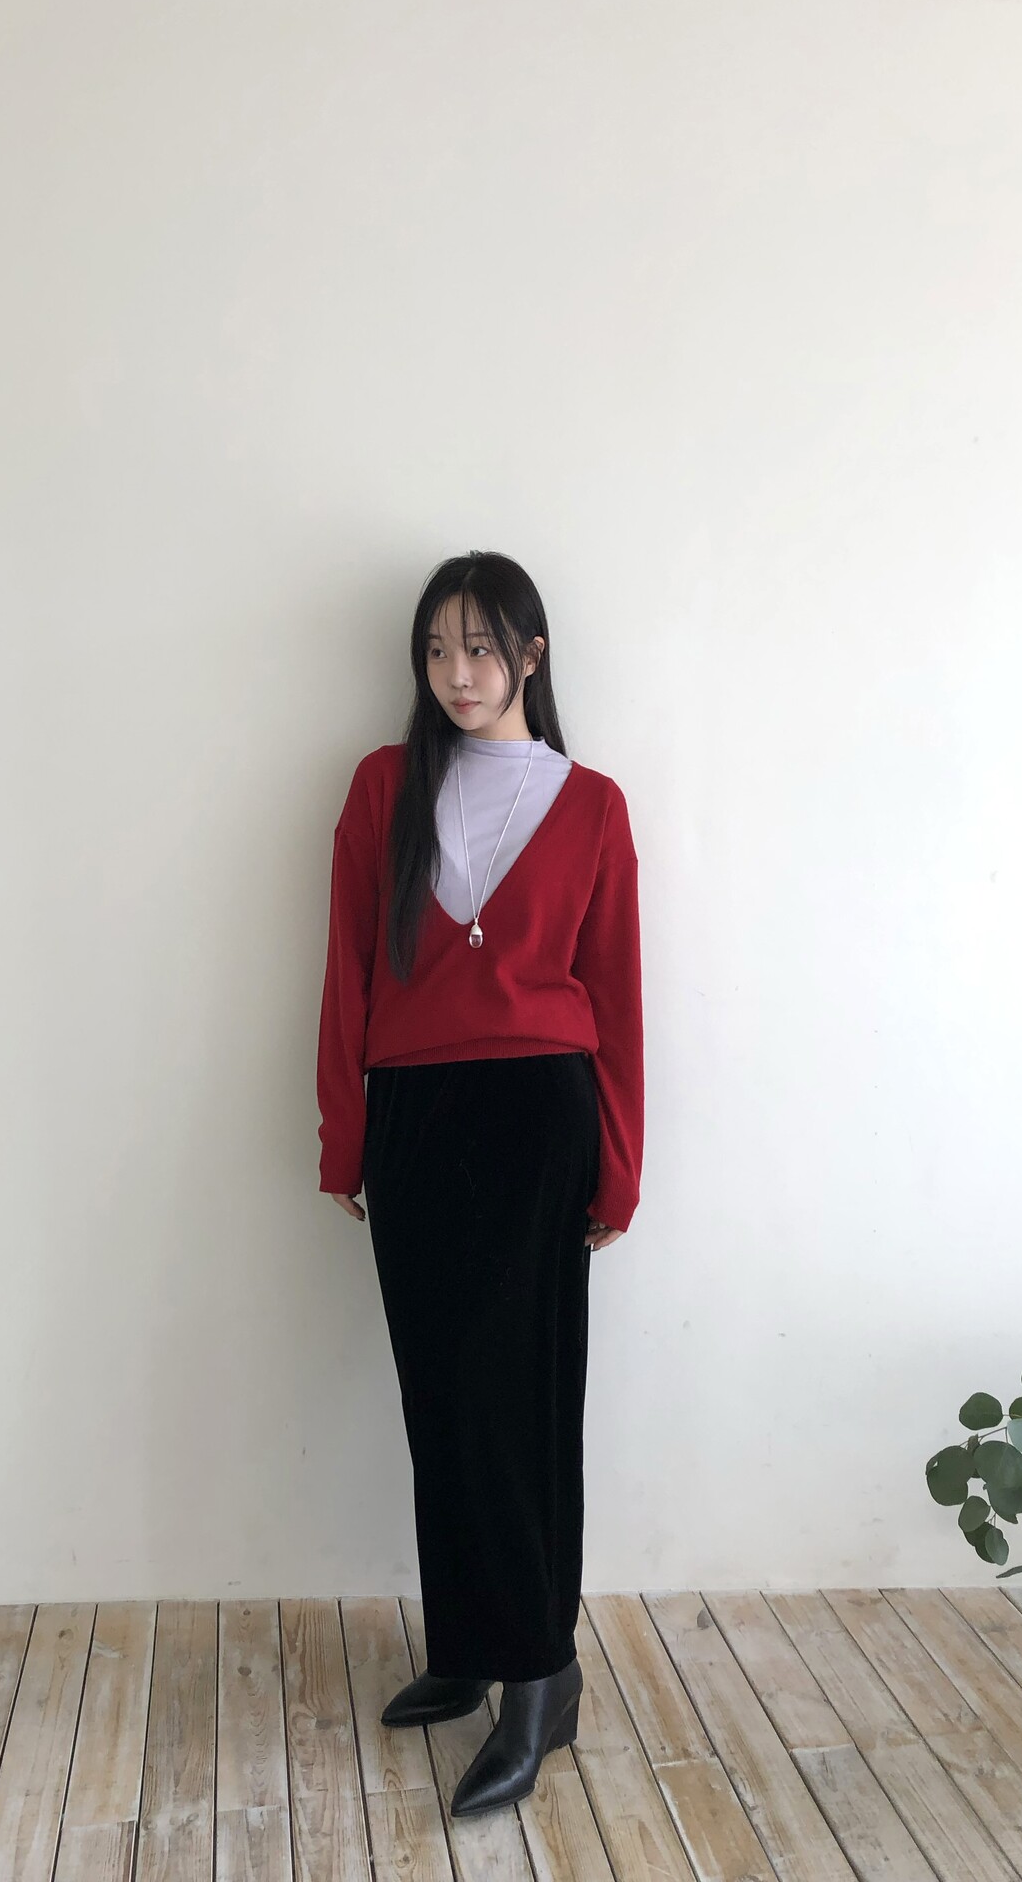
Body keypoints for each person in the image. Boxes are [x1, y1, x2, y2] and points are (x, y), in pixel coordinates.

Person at [316, 550, 644, 1819]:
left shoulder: (592, 805)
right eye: (438, 649)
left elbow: (615, 994)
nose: (458, 673)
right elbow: (349, 968)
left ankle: (541, 1673)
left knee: (521, 1403)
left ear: (531, 656)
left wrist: (619, 1164)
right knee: (439, 1392)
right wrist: (345, 1137)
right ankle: (466, 1641)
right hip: (415, 1115)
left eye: (482, 648)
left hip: (537, 1120)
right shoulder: (383, 785)